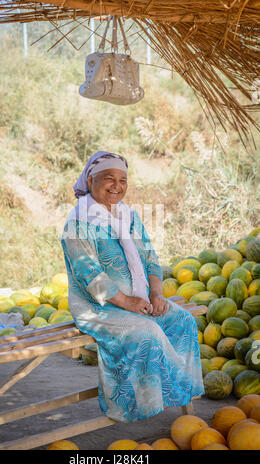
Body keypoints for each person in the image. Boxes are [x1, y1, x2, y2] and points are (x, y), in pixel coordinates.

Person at [61, 151, 204, 423]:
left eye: (122, 180)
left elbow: (149, 256)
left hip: (139, 299)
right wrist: (128, 302)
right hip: (98, 307)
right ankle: (134, 404)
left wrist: (157, 294)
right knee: (147, 331)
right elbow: (88, 274)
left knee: (182, 320)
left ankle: (175, 394)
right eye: (109, 179)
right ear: (91, 180)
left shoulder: (128, 215)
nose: (117, 186)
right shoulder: (78, 221)